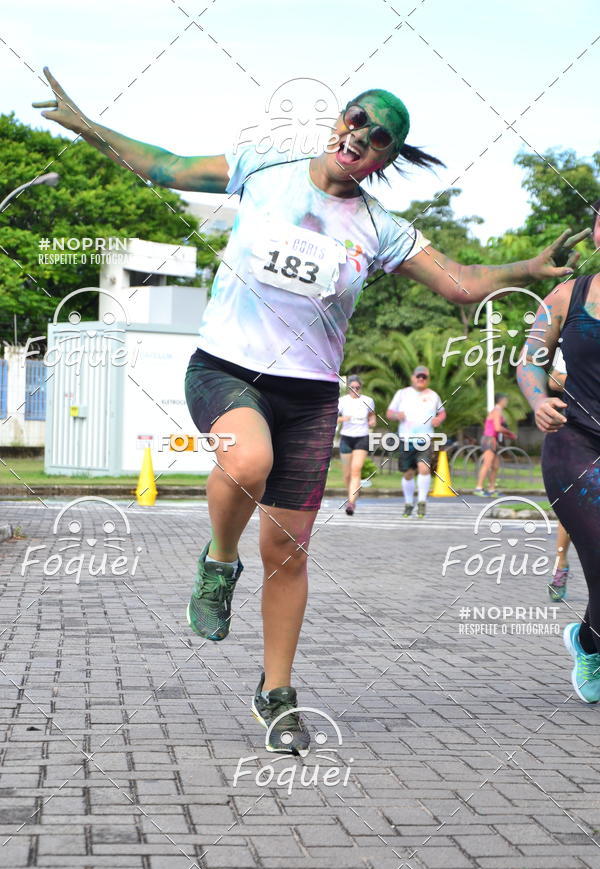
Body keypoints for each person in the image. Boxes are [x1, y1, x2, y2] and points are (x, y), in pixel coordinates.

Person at [35, 68, 589, 754]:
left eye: (380, 137)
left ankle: (277, 693)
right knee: (247, 461)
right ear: (339, 122)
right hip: (228, 369)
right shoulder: (264, 168)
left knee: (289, 552)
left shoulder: (383, 228)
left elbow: (461, 285)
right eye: (356, 119)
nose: (361, 136)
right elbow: (166, 167)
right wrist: (90, 125)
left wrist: (523, 270)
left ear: (388, 159)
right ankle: (217, 559)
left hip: (309, 394)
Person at [517, 263, 600, 703]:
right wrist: (537, 399)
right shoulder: (569, 295)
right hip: (574, 441)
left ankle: (588, 641)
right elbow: (530, 360)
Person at [387, 366, 446, 518]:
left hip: (425, 439)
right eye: (418, 376)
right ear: (413, 377)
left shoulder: (433, 395)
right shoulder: (402, 394)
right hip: (406, 439)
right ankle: (408, 503)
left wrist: (439, 419)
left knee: (424, 469)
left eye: (424, 377)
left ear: (428, 379)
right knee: (408, 473)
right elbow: (389, 413)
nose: (421, 379)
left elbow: (442, 412)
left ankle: (421, 502)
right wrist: (396, 415)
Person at [546, 347, 571, 601]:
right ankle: (561, 563)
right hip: (581, 429)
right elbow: (554, 379)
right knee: (571, 504)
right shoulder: (579, 329)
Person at [337, 375, 376, 515]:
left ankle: (351, 503)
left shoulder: (368, 400)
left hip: (362, 438)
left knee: (356, 470)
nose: (354, 390)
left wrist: (372, 421)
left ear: (361, 388)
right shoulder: (341, 401)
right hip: (346, 438)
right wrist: (343, 418)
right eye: (352, 388)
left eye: (357, 388)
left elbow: (372, 415)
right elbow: (333, 418)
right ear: (348, 388)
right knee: (347, 474)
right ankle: (351, 496)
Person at [474, 394, 517, 497]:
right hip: (489, 439)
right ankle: (478, 488)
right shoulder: (497, 411)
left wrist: (506, 434)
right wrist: (509, 433)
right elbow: (497, 428)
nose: (507, 402)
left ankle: (491, 489)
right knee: (487, 464)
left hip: (494, 440)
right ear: (501, 401)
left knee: (495, 466)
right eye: (505, 400)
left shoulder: (498, 411)